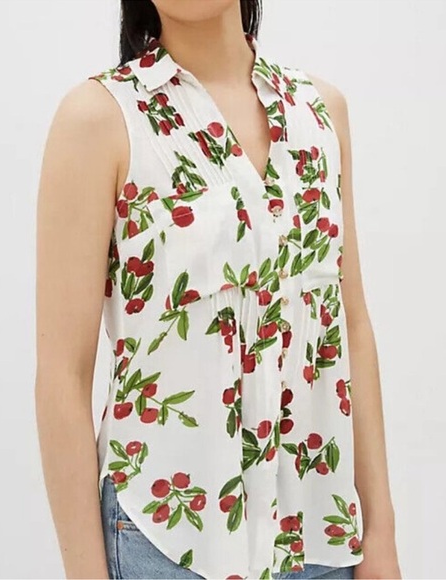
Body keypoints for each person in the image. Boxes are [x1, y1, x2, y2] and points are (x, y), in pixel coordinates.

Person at [35, 1, 402, 579]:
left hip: (319, 539)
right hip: (166, 542)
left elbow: (350, 325)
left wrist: (380, 535)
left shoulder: (321, 112)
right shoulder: (101, 119)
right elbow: (63, 376)